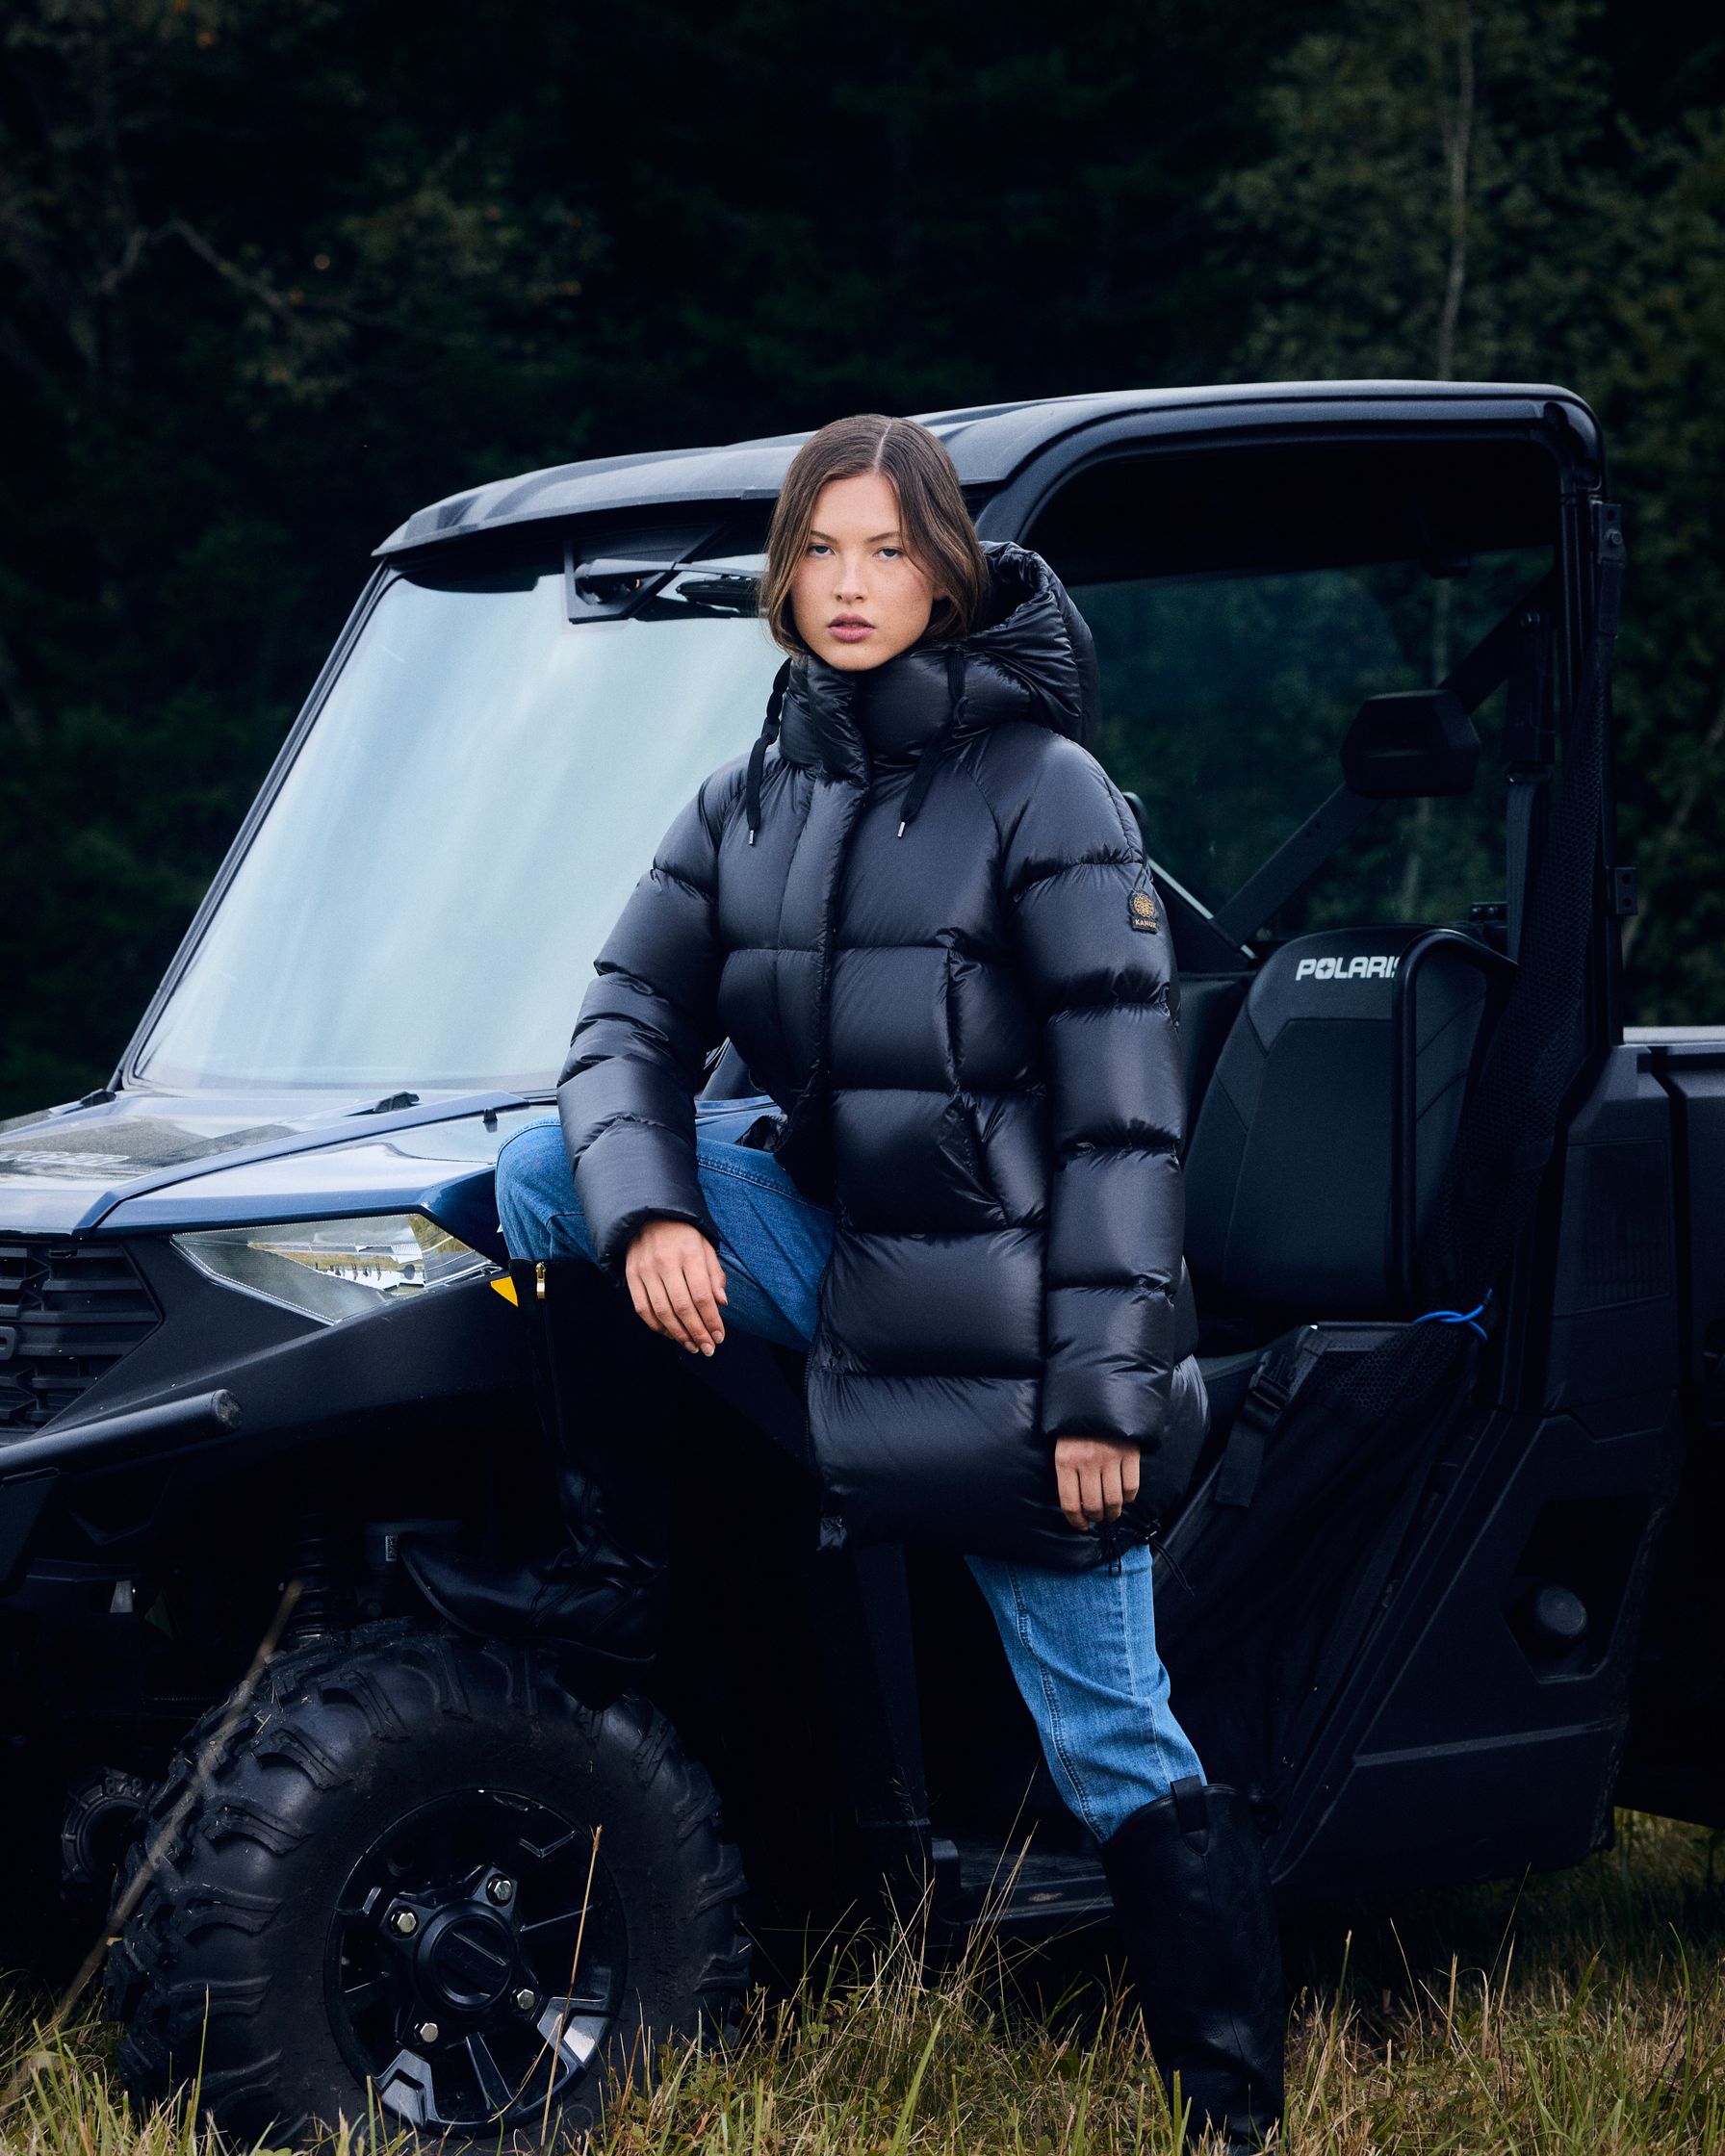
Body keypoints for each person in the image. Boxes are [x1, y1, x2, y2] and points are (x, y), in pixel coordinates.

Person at [404, 414, 1285, 2151]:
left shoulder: (1050, 793)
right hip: (840, 1262)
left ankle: (1233, 2114)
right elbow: (622, 1023)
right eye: (822, 551)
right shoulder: (755, 791)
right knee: (537, 1174)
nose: (852, 584)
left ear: (946, 568)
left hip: (1016, 1336)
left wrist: (1103, 1393)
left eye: (889, 550)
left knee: (1115, 1743)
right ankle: (613, 1566)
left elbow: (1128, 1126)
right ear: (784, 578)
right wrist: (654, 1212)